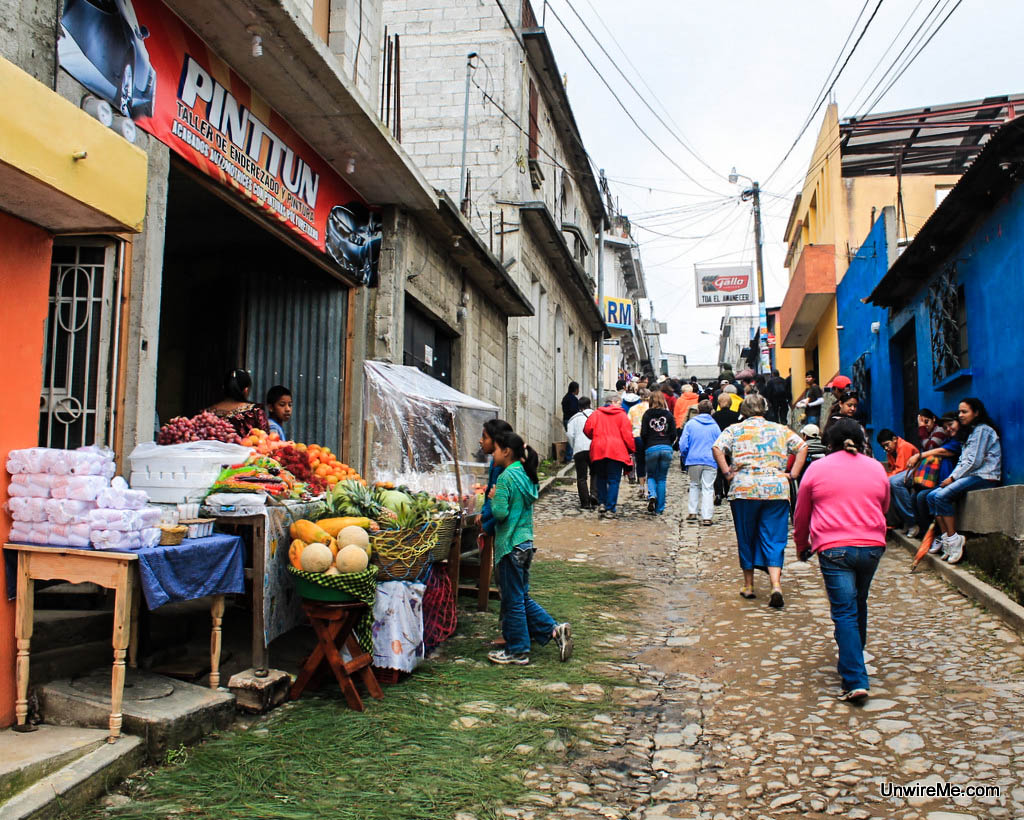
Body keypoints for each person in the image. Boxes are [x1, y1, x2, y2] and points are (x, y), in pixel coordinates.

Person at [794, 418, 889, 705]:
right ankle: (854, 658)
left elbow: (801, 513)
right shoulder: (876, 467)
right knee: (859, 603)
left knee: (845, 611)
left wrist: (802, 546)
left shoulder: (817, 469)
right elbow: (884, 504)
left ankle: (855, 678)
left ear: (828, 443)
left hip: (835, 549)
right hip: (872, 546)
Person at [487, 432, 573, 666]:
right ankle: (555, 630)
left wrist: (494, 498)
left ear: (506, 452)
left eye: (494, 449)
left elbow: (501, 513)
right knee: (521, 596)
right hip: (525, 543)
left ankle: (518, 651)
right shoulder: (526, 475)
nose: (492, 454)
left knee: (512, 600)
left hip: (510, 545)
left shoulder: (505, 478)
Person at [713, 395, 807, 607]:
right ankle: (776, 585)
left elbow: (717, 448)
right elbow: (802, 447)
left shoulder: (734, 430)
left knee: (746, 536)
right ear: (765, 409)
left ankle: (748, 586)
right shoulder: (781, 429)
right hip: (776, 489)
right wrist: (793, 474)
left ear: (744, 411)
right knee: (774, 537)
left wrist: (727, 472)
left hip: (744, 489)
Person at [926, 398, 1002, 563]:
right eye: (959, 411)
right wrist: (951, 478)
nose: (960, 415)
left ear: (976, 412)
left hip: (984, 476)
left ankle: (954, 539)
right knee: (931, 496)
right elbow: (963, 460)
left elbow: (974, 461)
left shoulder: (983, 430)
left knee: (941, 496)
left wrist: (953, 478)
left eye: (964, 411)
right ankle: (946, 537)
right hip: (969, 475)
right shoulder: (970, 432)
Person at [891, 414, 962, 539]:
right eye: (945, 427)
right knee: (914, 496)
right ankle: (925, 531)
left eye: (950, 425)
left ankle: (939, 534)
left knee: (923, 496)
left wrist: (919, 454)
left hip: (945, 480)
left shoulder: (952, 439)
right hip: (934, 478)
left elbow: (934, 449)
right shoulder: (947, 439)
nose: (948, 429)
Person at [583, 399, 635, 519]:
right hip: (616, 450)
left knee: (601, 477)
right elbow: (627, 434)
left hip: (599, 448)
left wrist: (596, 436)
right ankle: (610, 507)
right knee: (614, 479)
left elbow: (587, 429)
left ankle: (602, 503)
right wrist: (631, 449)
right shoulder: (622, 416)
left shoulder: (596, 413)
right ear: (615, 402)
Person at [679, 399, 720, 526]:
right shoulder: (714, 426)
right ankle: (707, 517)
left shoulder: (691, 424)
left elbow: (683, 444)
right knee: (708, 488)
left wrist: (685, 456)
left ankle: (692, 512)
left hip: (693, 458)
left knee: (694, 485)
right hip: (710, 460)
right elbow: (719, 444)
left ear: (698, 410)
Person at [640, 391, 676, 515]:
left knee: (651, 475)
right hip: (666, 448)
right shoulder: (668, 415)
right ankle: (659, 509)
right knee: (661, 479)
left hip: (651, 447)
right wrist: (667, 443)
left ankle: (652, 495)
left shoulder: (647, 415)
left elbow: (643, 433)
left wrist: (647, 444)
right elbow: (673, 434)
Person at [207, 369, 268, 437]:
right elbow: (264, 439)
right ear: (246, 390)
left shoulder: (207, 413)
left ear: (223, 387)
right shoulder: (255, 411)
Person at [566, 398, 597, 510]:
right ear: (590, 405)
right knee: (595, 473)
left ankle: (585, 503)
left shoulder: (573, 419)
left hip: (579, 449)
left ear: (579, 407)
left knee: (581, 477)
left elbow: (569, 435)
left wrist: (574, 445)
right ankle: (594, 494)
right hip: (594, 448)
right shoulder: (596, 415)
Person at [712, 393, 741, 505]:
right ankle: (729, 491)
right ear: (730, 403)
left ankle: (719, 493)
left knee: (719, 469)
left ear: (719, 404)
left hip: (719, 445)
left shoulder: (715, 416)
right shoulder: (736, 416)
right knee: (730, 466)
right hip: (732, 445)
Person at [627, 389, 651, 492]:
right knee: (650, 462)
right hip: (650, 437)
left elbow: (628, 424)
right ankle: (649, 487)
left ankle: (641, 486)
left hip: (637, 436)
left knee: (640, 461)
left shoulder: (633, 409)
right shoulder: (651, 409)